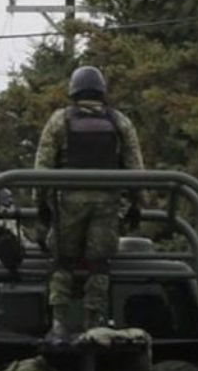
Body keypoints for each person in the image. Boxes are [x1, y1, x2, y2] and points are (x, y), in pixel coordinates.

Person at [35, 65, 145, 341]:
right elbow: (135, 167)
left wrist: (42, 204)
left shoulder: (59, 120)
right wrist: (136, 204)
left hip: (68, 203)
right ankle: (93, 322)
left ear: (73, 90)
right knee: (99, 264)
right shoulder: (119, 121)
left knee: (62, 261)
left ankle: (59, 322)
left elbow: (42, 167)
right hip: (107, 203)